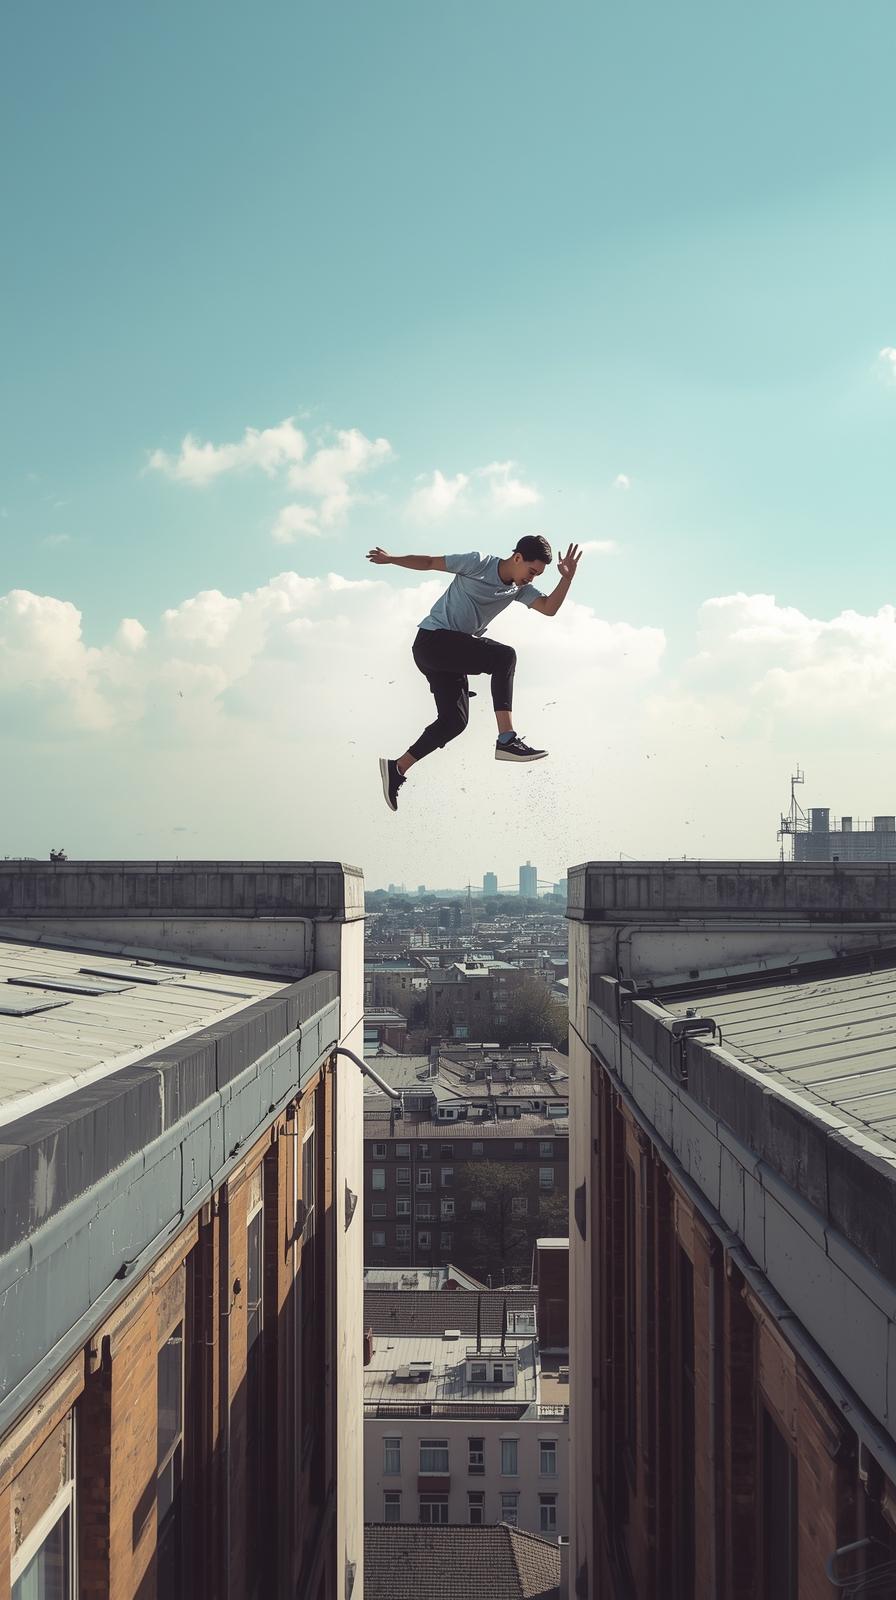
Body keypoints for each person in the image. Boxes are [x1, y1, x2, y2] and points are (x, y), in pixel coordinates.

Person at [367, 535, 582, 811]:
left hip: (449, 654)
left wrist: (567, 579)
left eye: (538, 575)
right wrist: (391, 559)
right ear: (517, 558)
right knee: (505, 657)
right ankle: (507, 739)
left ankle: (397, 768)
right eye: (532, 571)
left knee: (454, 722)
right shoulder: (478, 563)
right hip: (433, 642)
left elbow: (549, 608)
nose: (532, 578)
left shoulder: (517, 588)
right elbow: (431, 562)